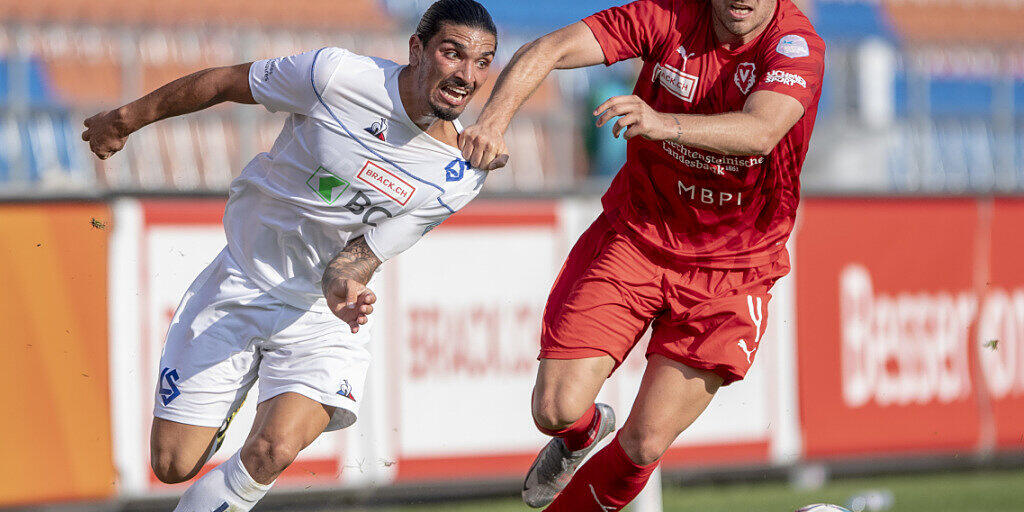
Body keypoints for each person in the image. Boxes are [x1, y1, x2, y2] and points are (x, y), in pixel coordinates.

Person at [81, 1, 496, 509]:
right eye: (453, 54)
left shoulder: (457, 176)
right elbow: (225, 83)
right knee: (172, 465)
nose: (467, 75)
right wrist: (125, 120)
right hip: (242, 281)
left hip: (319, 317)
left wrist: (343, 291)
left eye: (483, 62)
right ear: (417, 49)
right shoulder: (337, 75)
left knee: (270, 450)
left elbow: (358, 259)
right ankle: (220, 412)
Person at [459, 0, 825, 509]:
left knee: (645, 442)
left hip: (733, 268)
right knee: (556, 409)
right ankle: (582, 435)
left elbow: (760, 131)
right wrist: (492, 123)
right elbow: (550, 48)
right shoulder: (668, 15)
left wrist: (663, 124)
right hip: (637, 235)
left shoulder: (794, 45)